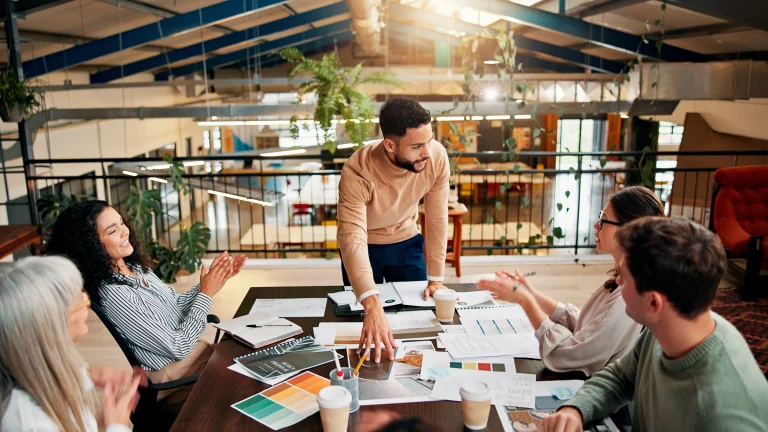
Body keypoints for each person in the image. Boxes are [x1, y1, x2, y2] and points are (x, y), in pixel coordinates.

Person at [543, 218, 768, 432]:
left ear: (653, 303)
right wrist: (575, 409)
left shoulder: (720, 416)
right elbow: (620, 377)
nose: (618, 282)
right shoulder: (669, 325)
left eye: (625, 278)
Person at [45, 200, 246, 390]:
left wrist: (209, 283)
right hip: (178, 379)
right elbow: (179, 347)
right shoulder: (115, 294)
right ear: (91, 246)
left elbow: (175, 305)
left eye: (121, 223)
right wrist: (206, 293)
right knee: (251, 382)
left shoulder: (135, 268)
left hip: (200, 357)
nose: (125, 231)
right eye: (113, 230)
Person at [478, 186, 664, 375]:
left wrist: (525, 301)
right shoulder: (624, 280)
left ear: (627, 231)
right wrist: (531, 294)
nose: (595, 225)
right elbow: (588, 327)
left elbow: (568, 355)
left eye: (603, 220)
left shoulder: (626, 298)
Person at [337, 97, 450, 364]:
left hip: (407, 241)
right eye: (417, 146)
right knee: (363, 318)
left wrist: (436, 278)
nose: (427, 152)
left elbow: (436, 219)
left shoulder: (435, 158)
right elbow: (351, 236)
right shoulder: (357, 171)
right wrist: (371, 301)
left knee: (419, 319)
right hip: (365, 248)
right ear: (389, 145)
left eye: (429, 141)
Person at [0, 256, 143, 432]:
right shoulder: (32, 423)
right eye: (77, 298)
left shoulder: (40, 375)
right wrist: (117, 426)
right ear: (49, 324)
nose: (87, 302)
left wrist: (87, 374)